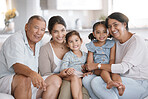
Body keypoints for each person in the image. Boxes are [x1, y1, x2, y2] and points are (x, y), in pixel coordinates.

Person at [83, 12, 148, 99]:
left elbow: (122, 68)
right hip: (119, 77)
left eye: (115, 25)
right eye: (109, 26)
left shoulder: (136, 41)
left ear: (124, 24)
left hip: (139, 83)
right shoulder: (114, 41)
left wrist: (97, 66)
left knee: (97, 82)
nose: (112, 29)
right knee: (86, 80)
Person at [0, 15, 56, 99]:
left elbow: (56, 39)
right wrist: (33, 74)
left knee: (55, 79)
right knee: (24, 78)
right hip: (7, 81)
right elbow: (17, 67)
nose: (39, 32)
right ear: (26, 27)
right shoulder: (15, 40)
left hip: (29, 80)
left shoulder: (39, 40)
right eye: (36, 28)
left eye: (42, 29)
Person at [38, 16, 90, 99]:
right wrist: (60, 75)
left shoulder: (72, 44)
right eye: (55, 31)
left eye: (62, 30)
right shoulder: (45, 50)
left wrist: (87, 70)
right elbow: (46, 75)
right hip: (57, 85)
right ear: (50, 32)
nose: (60, 35)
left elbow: (83, 60)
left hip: (77, 81)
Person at [82, 21, 125, 99]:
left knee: (115, 74)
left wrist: (110, 68)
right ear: (94, 34)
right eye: (98, 32)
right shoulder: (91, 45)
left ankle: (120, 86)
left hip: (108, 66)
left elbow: (112, 58)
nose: (101, 35)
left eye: (104, 32)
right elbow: (90, 62)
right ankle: (109, 82)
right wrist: (89, 69)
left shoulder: (111, 43)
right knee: (103, 71)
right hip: (97, 69)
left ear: (108, 33)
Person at [60, 30, 92, 99]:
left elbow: (89, 66)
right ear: (67, 44)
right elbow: (63, 68)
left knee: (79, 82)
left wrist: (87, 69)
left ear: (81, 41)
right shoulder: (68, 55)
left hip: (80, 76)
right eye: (71, 42)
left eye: (76, 40)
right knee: (75, 77)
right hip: (70, 75)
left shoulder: (85, 55)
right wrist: (67, 70)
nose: (74, 43)